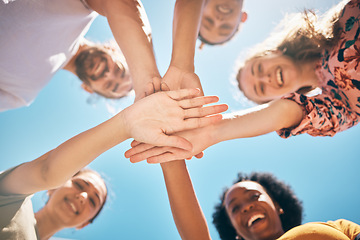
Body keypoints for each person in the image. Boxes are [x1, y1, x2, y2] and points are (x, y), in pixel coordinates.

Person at [125, 0, 360, 164]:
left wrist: (181, 66)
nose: (266, 78)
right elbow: (287, 113)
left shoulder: (336, 25)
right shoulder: (337, 108)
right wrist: (212, 132)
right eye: (261, 88)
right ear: (276, 100)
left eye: (258, 69)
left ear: (272, 52)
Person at [0, 88, 228, 239]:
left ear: (84, 224)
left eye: (92, 201)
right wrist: (127, 123)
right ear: (51, 190)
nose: (82, 197)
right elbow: (47, 168)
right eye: (80, 185)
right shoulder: (15, 196)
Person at [0, 0, 153, 111]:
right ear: (112, 48)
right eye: (118, 70)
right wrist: (147, 79)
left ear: (88, 89)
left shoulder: (23, 93)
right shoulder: (83, 9)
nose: (107, 75)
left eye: (109, 85)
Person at [161, 160, 360, 240]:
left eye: (254, 196)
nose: (247, 206)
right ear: (235, 232)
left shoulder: (338, 226)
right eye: (235, 208)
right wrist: (172, 160)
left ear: (278, 206)